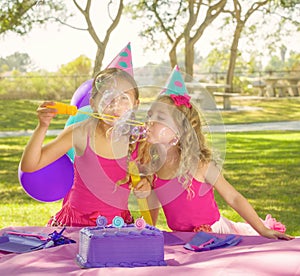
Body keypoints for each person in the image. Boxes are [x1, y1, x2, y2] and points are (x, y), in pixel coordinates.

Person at [140, 66, 293, 240]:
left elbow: (233, 197)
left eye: (159, 118)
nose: (149, 121)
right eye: (149, 115)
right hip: (182, 241)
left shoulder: (199, 164)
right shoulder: (152, 169)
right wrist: (147, 229)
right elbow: (152, 210)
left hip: (217, 235)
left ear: (180, 130)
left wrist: (262, 230)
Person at [20, 67, 141, 227]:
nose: (115, 104)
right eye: (108, 96)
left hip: (117, 226)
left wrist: (144, 185)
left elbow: (147, 180)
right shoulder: (80, 132)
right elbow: (30, 165)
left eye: (124, 98)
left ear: (136, 104)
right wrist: (42, 126)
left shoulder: (137, 139)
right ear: (93, 103)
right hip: (76, 225)